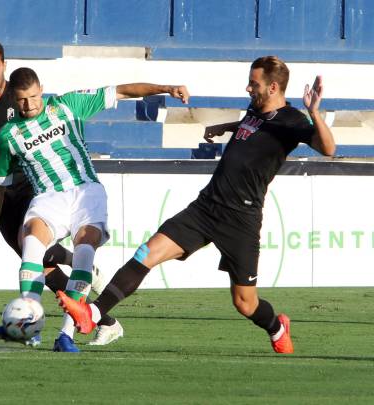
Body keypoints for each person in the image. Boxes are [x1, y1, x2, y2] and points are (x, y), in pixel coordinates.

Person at [59, 56, 336, 354]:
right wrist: (224, 126)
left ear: (273, 87)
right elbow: (253, 129)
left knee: (245, 303)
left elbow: (329, 148)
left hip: (241, 218)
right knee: (146, 253)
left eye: (253, 84)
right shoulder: (255, 111)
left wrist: (314, 112)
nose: (247, 88)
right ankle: (93, 314)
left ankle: (277, 326)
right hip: (205, 207)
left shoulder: (292, 121)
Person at [0, 66, 190, 352]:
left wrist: (165, 87)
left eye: (34, 96)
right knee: (30, 244)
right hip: (48, 197)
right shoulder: (9, 135)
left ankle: (66, 335)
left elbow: (122, 90)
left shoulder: (66, 105)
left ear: (42, 89)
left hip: (87, 192)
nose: (30, 104)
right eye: (23, 100)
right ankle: (30, 323)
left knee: (84, 254)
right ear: (14, 99)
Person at [0, 40, 123, 346]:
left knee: (36, 249)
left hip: (36, 188)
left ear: (4, 65)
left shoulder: (32, 98)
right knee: (39, 261)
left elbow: (112, 94)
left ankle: (58, 323)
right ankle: (39, 324)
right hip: (7, 191)